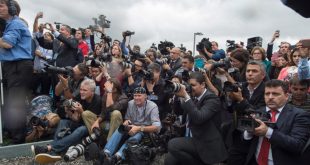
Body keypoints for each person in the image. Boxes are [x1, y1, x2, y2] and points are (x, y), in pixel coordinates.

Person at [31, 79, 102, 164]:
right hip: (79, 123)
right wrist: (69, 111)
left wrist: (81, 111)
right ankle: (54, 152)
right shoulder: (80, 96)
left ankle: (49, 148)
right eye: (81, 89)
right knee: (63, 122)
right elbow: (76, 118)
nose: (82, 92)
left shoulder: (97, 101)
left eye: (85, 90)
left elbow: (90, 121)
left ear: (92, 92)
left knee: (81, 129)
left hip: (90, 128)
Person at [165, 72, 227, 165]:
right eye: (189, 85)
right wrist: (180, 96)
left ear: (202, 85)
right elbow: (178, 112)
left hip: (206, 143)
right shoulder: (194, 97)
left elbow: (199, 118)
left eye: (193, 85)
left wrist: (186, 96)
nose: (190, 88)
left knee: (173, 145)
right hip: (192, 138)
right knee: (169, 159)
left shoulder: (212, 99)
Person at [243, 79, 310, 165]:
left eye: (275, 94)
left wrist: (268, 132)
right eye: (267, 94)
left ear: (286, 96)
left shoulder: (300, 115)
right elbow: (243, 141)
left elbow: (297, 145)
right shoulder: (257, 112)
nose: (270, 97)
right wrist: (249, 132)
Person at [97, 87, 161, 164]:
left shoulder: (153, 106)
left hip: (145, 131)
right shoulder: (131, 103)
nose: (136, 98)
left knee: (136, 136)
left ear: (145, 96)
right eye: (135, 95)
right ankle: (106, 153)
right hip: (132, 127)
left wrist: (138, 128)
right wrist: (126, 122)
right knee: (120, 129)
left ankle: (118, 157)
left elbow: (157, 127)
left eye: (139, 95)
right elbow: (127, 119)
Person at [0, 0, 33, 144]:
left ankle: (18, 139)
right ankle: (12, 131)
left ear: (12, 8)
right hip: (10, 66)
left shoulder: (16, 24)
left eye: (1, 5)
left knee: (15, 103)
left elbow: (7, 43)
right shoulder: (8, 25)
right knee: (8, 100)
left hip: (18, 66)